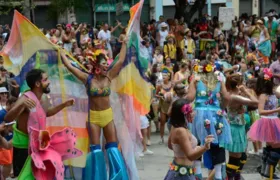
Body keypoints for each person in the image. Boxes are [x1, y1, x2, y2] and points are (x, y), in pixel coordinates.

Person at [61, 38, 129, 179]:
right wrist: (60, 51)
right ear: (97, 65)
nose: (107, 66)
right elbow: (69, 67)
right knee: (96, 151)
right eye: (104, 64)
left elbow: (121, 60)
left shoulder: (109, 77)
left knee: (112, 148)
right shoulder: (87, 79)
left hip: (108, 117)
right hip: (94, 118)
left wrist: (124, 43)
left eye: (107, 63)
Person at [4, 69, 81, 179]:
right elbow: (7, 118)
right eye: (45, 79)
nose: (48, 82)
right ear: (37, 83)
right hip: (23, 147)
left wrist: (64, 105)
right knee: (23, 177)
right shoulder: (25, 98)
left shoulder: (43, 98)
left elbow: (46, 112)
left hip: (38, 145)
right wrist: (22, 106)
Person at [188, 60, 232, 180]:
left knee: (197, 142)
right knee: (217, 142)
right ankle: (218, 175)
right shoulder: (219, 79)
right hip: (216, 114)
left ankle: (197, 174)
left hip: (199, 114)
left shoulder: (196, 80)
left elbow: (190, 97)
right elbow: (227, 97)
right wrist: (221, 108)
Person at [164, 99, 214, 180]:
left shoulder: (175, 126)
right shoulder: (181, 131)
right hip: (182, 174)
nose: (194, 113)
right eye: (191, 111)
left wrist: (191, 148)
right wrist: (204, 147)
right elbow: (191, 156)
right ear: (184, 114)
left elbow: (170, 146)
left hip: (180, 170)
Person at [223, 74, 259, 180]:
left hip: (240, 128)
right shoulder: (234, 96)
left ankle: (236, 176)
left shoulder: (236, 94)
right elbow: (256, 102)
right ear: (238, 84)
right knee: (235, 159)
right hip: (235, 129)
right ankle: (230, 177)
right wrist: (246, 91)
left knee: (242, 157)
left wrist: (243, 91)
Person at [248, 68, 280, 179]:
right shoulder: (263, 95)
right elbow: (261, 111)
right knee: (275, 145)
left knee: (272, 146)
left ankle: (266, 170)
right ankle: (268, 170)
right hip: (268, 122)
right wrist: (276, 110)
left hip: (274, 121)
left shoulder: (273, 93)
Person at [0, 96, 17, 179]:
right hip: (3, 142)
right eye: (14, 106)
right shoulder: (2, 113)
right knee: (7, 162)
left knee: (8, 162)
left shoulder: (13, 114)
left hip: (8, 142)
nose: (15, 108)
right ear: (8, 104)